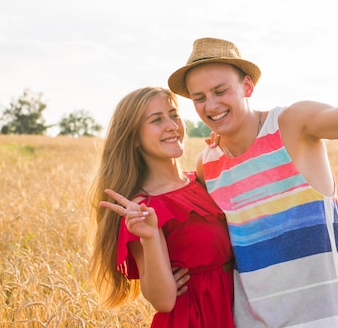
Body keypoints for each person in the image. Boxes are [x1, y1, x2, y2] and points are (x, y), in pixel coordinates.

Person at [167, 35, 338, 327]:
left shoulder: (293, 125)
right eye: (199, 98)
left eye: (220, 91)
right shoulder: (207, 163)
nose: (211, 105)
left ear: (247, 86)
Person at [88, 86, 235, 328]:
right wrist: (149, 237)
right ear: (134, 138)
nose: (172, 125)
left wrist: (229, 145)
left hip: (238, 310)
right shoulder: (141, 209)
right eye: (157, 120)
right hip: (196, 320)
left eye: (174, 115)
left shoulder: (200, 179)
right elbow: (164, 300)